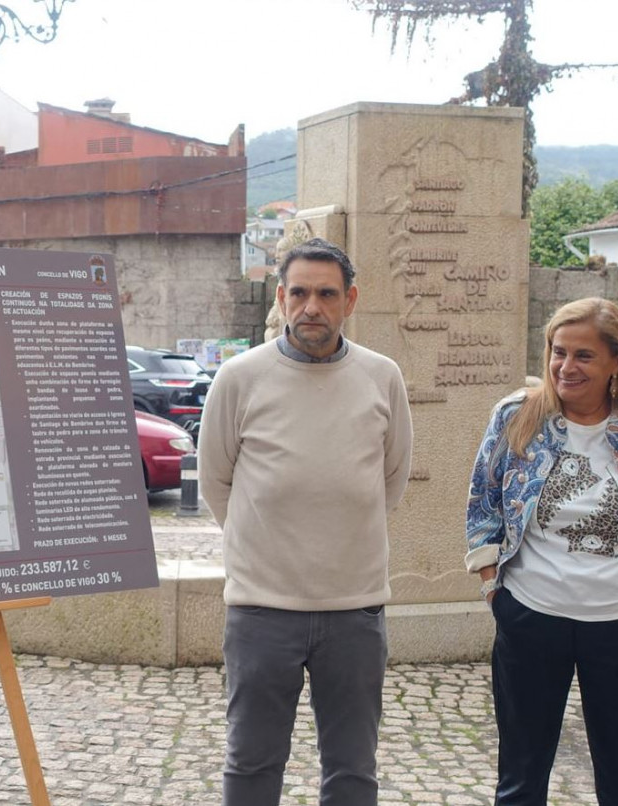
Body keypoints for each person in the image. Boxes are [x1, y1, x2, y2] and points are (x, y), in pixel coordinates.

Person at [199, 237, 412, 805]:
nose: (311, 306)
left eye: (326, 293)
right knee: (252, 762)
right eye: (299, 293)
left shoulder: (382, 377)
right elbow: (217, 482)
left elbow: (389, 480)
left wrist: (339, 539)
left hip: (354, 612)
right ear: (281, 297)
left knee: (352, 768)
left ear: (351, 300)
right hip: (262, 609)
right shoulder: (239, 379)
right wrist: (266, 547)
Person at [465, 297, 618, 805]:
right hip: (532, 616)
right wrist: (492, 589)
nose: (566, 367)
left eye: (584, 356)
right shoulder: (516, 416)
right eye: (557, 352)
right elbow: (483, 504)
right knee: (522, 779)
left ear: (617, 360)